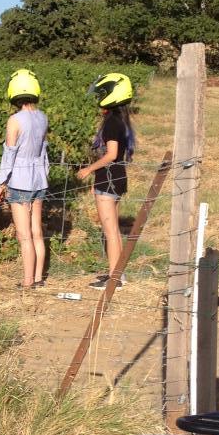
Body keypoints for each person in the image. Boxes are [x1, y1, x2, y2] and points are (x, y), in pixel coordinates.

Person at [76, 72, 136, 289]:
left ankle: (114, 279)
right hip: (116, 178)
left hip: (109, 179)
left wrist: (88, 170)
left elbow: (110, 154)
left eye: (103, 93)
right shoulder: (121, 120)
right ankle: (117, 273)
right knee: (114, 230)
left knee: (109, 231)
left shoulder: (111, 122)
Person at [0, 70, 49, 289]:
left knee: (23, 234)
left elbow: (9, 154)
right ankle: (37, 278)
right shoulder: (42, 117)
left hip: (20, 180)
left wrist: (1, 183)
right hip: (39, 180)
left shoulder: (14, 120)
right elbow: (44, 151)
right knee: (37, 231)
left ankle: (26, 282)